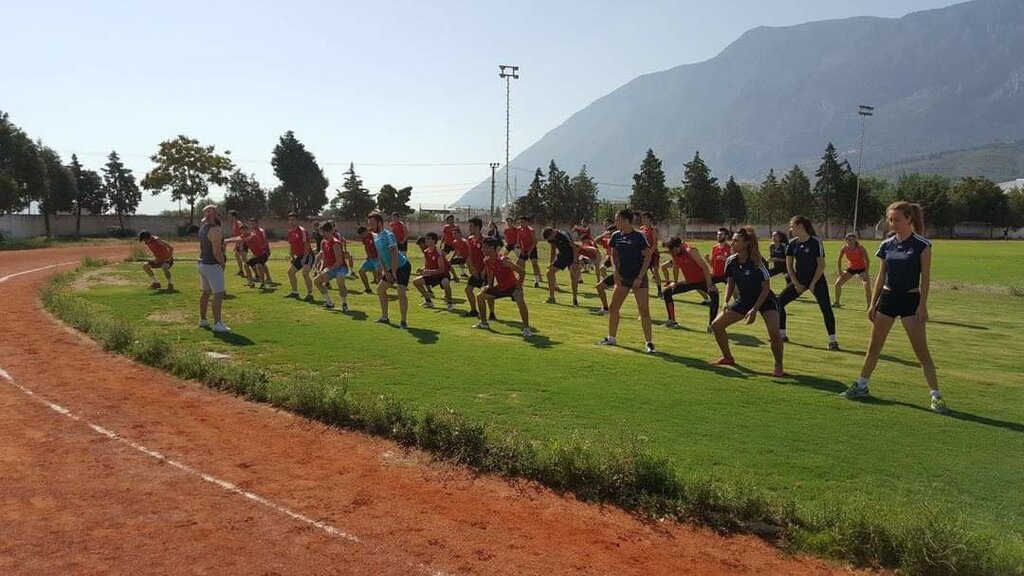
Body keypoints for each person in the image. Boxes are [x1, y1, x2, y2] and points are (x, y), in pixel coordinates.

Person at [841, 202, 947, 413]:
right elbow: (881, 276)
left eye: (897, 219)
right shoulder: (886, 245)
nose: (893, 223)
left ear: (909, 218)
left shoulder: (922, 245)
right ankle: (861, 386)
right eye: (890, 220)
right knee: (874, 347)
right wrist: (872, 304)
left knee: (921, 352)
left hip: (910, 300)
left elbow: (925, 278)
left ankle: (936, 396)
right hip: (887, 299)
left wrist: (923, 306)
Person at [709, 228, 784, 376]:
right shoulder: (731, 261)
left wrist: (754, 310)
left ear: (746, 244)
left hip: (765, 300)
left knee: (774, 333)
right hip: (744, 299)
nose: (732, 243)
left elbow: (765, 289)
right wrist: (725, 302)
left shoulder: (758, 261)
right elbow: (730, 283)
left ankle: (778, 365)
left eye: (736, 241)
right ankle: (727, 358)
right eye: (732, 240)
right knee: (716, 325)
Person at [595, 209, 655, 353]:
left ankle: (649, 343)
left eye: (618, 219)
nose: (615, 222)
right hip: (622, 277)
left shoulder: (639, 236)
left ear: (626, 220)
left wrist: (640, 277)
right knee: (613, 307)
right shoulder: (616, 235)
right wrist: (616, 272)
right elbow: (613, 255)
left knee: (644, 310)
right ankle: (611, 338)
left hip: (638, 278)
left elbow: (648, 257)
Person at [777, 216, 839, 349]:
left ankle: (832, 341)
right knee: (779, 302)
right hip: (799, 280)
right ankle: (782, 334)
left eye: (792, 226)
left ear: (800, 226)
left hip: (817, 280)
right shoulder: (792, 243)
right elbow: (789, 266)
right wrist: (796, 284)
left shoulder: (815, 242)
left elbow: (821, 265)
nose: (790, 229)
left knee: (826, 308)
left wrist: (813, 283)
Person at [474, 237, 532, 338]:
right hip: (501, 288)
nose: (482, 250)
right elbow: (490, 272)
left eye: (485, 247)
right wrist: (489, 285)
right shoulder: (487, 260)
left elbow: (522, 272)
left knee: (520, 298)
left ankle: (526, 329)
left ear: (492, 248)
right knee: (480, 296)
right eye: (482, 247)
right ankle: (483, 323)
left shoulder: (504, 261)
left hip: (512, 287)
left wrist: (519, 287)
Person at [661, 237, 718, 332]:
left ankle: (712, 326)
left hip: (703, 281)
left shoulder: (691, 251)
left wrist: (709, 285)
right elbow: (676, 267)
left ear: (677, 247)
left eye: (670, 250)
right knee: (667, 291)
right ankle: (672, 321)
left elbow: (704, 267)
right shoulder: (674, 253)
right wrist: (675, 282)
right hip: (690, 282)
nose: (670, 253)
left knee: (714, 295)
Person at [369, 212, 411, 328]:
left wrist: (394, 272)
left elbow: (394, 253)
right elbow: (380, 255)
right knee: (380, 289)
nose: (370, 226)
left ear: (379, 223)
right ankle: (385, 317)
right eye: (369, 224)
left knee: (400, 293)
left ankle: (403, 321)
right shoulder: (375, 236)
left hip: (402, 266)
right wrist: (386, 271)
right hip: (390, 268)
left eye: (372, 223)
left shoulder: (389, 235)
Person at [197, 205, 230, 333]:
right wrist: (222, 263)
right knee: (218, 294)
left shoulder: (203, 228)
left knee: (205, 292)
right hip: (212, 265)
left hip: (202, 263)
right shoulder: (215, 230)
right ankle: (217, 323)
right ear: (215, 215)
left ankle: (203, 319)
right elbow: (217, 252)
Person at [412, 233, 454, 311]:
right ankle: (428, 301)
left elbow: (441, 269)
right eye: (426, 238)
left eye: (428, 239)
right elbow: (427, 266)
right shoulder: (426, 252)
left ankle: (450, 303)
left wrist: (429, 271)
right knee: (416, 282)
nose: (426, 240)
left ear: (434, 240)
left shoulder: (438, 252)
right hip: (433, 275)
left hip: (443, 275)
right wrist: (422, 269)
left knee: (445, 283)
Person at [313, 221, 350, 310]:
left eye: (324, 232)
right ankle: (329, 302)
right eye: (322, 232)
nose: (323, 234)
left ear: (330, 231)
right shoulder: (323, 242)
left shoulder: (336, 243)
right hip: (330, 268)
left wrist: (328, 270)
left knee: (340, 280)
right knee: (316, 281)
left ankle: (344, 304)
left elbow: (339, 262)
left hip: (341, 268)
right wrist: (321, 269)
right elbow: (324, 257)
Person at [465, 217, 496, 320]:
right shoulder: (470, 239)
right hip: (476, 271)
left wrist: (484, 271)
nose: (469, 228)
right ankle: (474, 310)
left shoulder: (485, 240)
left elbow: (489, 256)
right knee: (468, 289)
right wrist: (472, 269)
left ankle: (492, 313)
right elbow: (469, 255)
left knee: (488, 292)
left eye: (471, 226)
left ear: (477, 227)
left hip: (486, 271)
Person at [540, 227, 580, 306]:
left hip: (571, 257)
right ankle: (551, 298)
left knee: (573, 277)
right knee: (549, 273)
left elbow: (575, 248)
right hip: (562, 257)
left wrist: (575, 262)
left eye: (550, 238)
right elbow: (553, 249)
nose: (550, 240)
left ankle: (575, 300)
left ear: (552, 233)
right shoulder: (551, 238)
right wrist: (551, 262)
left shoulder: (564, 235)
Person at [833, 233, 871, 309]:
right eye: (849, 240)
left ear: (855, 240)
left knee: (866, 285)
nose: (851, 241)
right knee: (837, 284)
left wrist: (866, 272)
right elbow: (839, 260)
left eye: (853, 240)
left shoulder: (860, 248)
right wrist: (840, 271)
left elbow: (867, 260)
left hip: (862, 269)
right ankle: (837, 303)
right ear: (846, 240)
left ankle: (870, 306)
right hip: (851, 268)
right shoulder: (844, 248)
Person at [284, 213, 315, 301]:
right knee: (290, 272)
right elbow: (291, 245)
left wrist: (304, 258)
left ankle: (310, 294)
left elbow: (307, 245)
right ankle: (295, 293)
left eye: (293, 220)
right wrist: (292, 257)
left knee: (305, 273)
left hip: (308, 255)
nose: (291, 222)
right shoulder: (290, 232)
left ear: (297, 221)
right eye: (290, 220)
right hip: (299, 256)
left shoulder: (302, 231)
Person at [639, 212, 664, 297]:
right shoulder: (641, 229)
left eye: (645, 218)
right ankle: (641, 289)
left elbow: (655, 245)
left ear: (650, 219)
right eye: (642, 218)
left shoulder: (654, 230)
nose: (643, 220)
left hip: (654, 254)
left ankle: (660, 291)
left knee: (655, 272)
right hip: (645, 254)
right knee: (641, 272)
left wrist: (649, 254)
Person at [516, 215, 543, 288]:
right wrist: (521, 250)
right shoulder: (519, 230)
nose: (521, 224)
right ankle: (520, 280)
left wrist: (529, 252)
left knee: (534, 264)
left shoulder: (531, 230)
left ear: (527, 222)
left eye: (522, 222)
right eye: (520, 222)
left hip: (532, 249)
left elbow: (535, 242)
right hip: (524, 249)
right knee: (520, 264)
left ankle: (537, 281)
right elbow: (518, 240)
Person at [356, 225, 380, 294]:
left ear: (366, 231)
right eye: (361, 235)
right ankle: (368, 289)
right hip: (370, 259)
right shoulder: (364, 238)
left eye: (362, 234)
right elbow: (366, 247)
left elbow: (380, 247)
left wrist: (380, 258)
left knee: (379, 275)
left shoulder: (374, 236)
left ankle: (381, 290)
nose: (362, 236)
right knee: (361, 271)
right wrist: (368, 256)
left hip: (378, 259)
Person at [228, 210, 247, 277]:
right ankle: (241, 271)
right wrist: (236, 244)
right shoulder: (234, 223)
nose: (228, 217)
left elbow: (243, 234)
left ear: (233, 216)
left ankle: (250, 273)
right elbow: (237, 235)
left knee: (244, 258)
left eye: (229, 215)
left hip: (243, 242)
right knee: (237, 255)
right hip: (238, 242)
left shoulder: (239, 223)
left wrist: (241, 244)